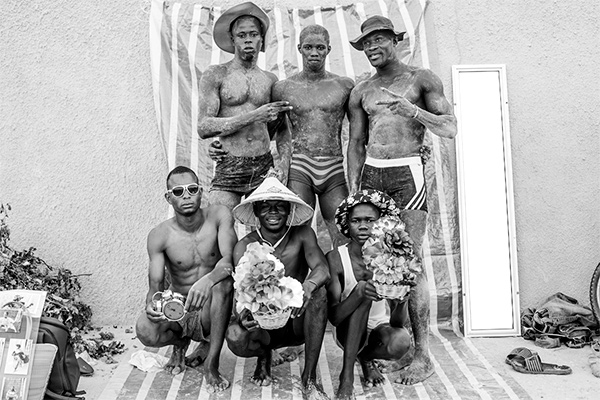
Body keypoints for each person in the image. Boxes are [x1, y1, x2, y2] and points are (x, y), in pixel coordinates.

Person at [347, 16, 458, 385]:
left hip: (407, 174)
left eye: (380, 39)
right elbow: (356, 144)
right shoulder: (362, 89)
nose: (373, 47)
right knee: (382, 261)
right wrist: (355, 187)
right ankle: (399, 340)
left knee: (411, 261)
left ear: (395, 40)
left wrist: (415, 112)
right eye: (367, 43)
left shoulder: (421, 79)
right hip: (372, 175)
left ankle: (423, 355)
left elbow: (450, 128)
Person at [210, 24, 354, 249]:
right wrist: (222, 143)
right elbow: (266, 130)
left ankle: (343, 282)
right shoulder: (283, 88)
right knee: (294, 233)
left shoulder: (344, 85)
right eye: (308, 47)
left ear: (329, 49)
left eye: (319, 47)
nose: (314, 53)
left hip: (333, 166)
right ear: (299, 48)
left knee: (343, 231)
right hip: (300, 167)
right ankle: (292, 283)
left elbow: (359, 132)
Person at [225, 173, 330, 398]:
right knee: (235, 335)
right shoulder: (245, 245)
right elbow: (239, 295)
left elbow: (322, 268)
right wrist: (243, 314)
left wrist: (308, 287)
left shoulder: (303, 235)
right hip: (263, 326)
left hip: (295, 321)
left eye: (279, 206)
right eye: (265, 207)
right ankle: (264, 356)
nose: (273, 212)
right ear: (255, 212)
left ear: (289, 210)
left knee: (320, 294)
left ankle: (309, 378)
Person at [135, 166, 237, 392]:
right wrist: (151, 306)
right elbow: (155, 286)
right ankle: (179, 344)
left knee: (224, 285)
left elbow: (230, 261)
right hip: (178, 307)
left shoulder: (219, 215)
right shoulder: (159, 235)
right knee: (145, 328)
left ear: (201, 191)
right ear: (168, 197)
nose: (186, 196)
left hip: (213, 308)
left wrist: (208, 281)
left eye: (192, 189)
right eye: (178, 191)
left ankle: (211, 363)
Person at [197, 2, 293, 211]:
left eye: (253, 34)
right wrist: (253, 116)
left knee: (266, 233)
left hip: (263, 164)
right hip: (230, 162)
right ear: (232, 39)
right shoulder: (216, 74)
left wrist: (283, 165)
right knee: (219, 225)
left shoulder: (269, 80)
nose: (248, 39)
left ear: (261, 38)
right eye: (242, 35)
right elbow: (203, 127)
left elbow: (283, 129)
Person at [326, 189, 412, 399]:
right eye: (356, 220)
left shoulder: (390, 258)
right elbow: (334, 318)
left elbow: (398, 323)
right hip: (347, 330)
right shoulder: (337, 258)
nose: (363, 226)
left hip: (379, 331)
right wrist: (358, 293)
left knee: (400, 341)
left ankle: (365, 358)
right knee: (364, 290)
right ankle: (346, 377)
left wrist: (401, 302)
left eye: (370, 220)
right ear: (348, 224)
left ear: (380, 223)